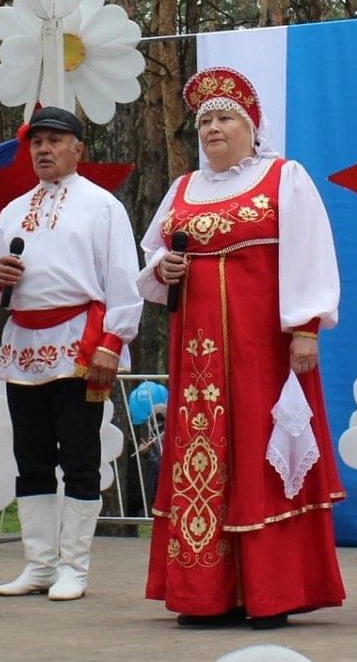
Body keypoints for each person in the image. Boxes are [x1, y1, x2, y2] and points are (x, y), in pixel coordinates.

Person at [138, 67, 346, 628]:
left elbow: (310, 253)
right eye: (204, 120)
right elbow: (152, 265)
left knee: (260, 449)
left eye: (225, 117)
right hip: (197, 355)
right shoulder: (182, 190)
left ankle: (269, 591)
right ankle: (205, 592)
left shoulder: (285, 177)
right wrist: (167, 265)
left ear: (252, 128)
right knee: (201, 455)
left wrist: (305, 328)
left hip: (262, 350)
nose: (212, 128)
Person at [0, 106, 142, 600]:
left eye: (54, 140)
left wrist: (113, 343)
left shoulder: (102, 206)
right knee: (31, 455)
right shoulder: (11, 210)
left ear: (78, 149)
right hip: (23, 343)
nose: (43, 149)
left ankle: (75, 568)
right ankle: (39, 564)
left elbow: (123, 282)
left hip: (81, 343)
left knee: (81, 454)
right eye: (36, 142)